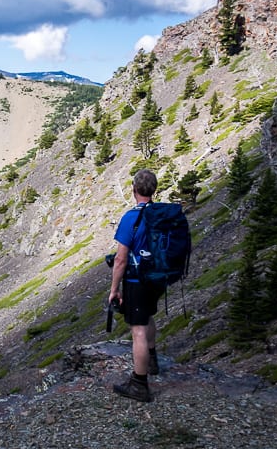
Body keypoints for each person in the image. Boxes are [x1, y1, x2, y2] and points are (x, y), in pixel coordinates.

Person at [108, 168, 164, 402]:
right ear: (154, 190)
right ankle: (151, 359)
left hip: (136, 280)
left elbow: (120, 259)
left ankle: (139, 385)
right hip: (157, 277)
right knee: (148, 316)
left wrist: (114, 290)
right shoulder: (161, 214)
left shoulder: (131, 218)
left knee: (137, 330)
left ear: (134, 190)